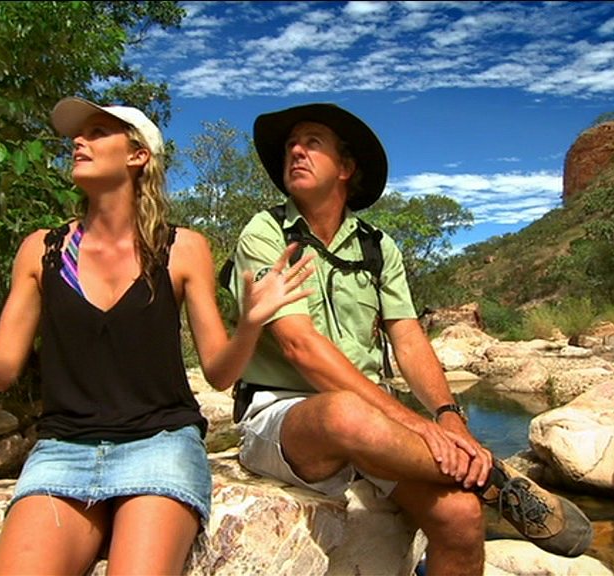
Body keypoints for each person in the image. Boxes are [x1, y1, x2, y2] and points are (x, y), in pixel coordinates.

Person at [0, 97, 314, 575]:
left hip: (160, 445)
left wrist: (250, 323)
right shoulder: (41, 250)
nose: (78, 142)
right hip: (63, 452)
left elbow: (219, 374)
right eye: (78, 135)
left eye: (98, 132)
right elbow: (0, 370)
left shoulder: (183, 248)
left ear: (138, 155)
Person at [226, 103, 592, 575]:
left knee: (461, 516)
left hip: (372, 424)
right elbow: (299, 345)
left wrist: (448, 417)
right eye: (291, 146)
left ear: (346, 167)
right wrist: (414, 424)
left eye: (312, 142)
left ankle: (479, 483)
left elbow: (408, 338)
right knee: (344, 412)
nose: (295, 151)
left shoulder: (378, 247)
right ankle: (491, 475)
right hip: (284, 414)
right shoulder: (265, 232)